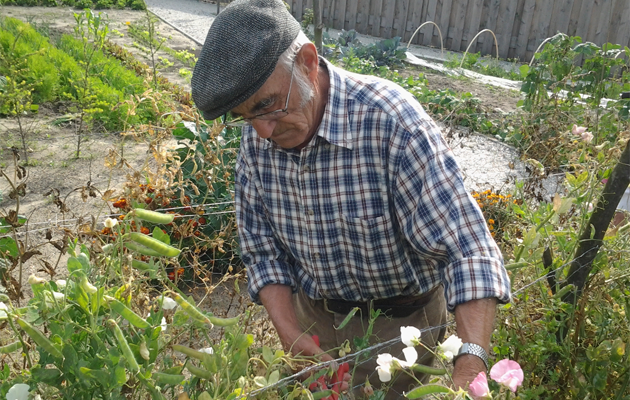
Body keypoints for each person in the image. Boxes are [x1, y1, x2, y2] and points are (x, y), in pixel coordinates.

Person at [191, 0, 511, 398]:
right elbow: (262, 252)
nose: (261, 132)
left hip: (403, 327)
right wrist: (290, 333)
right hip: (315, 321)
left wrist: (471, 362)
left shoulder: (391, 123)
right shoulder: (261, 137)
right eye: (245, 116)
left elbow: (468, 250)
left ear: (308, 62)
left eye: (267, 105)